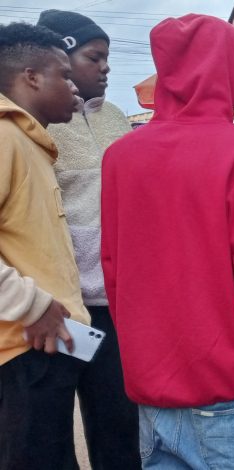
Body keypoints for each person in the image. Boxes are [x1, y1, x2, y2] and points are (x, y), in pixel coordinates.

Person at [100, 14, 234, 469]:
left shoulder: (120, 158)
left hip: (153, 394)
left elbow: (115, 276)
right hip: (229, 399)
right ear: (226, 72)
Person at [36, 10, 140, 469]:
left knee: (118, 421)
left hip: (116, 307)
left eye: (108, 58)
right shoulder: (39, 124)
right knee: (50, 429)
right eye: (94, 57)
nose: (106, 67)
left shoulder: (117, 118)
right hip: (57, 311)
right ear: (62, 55)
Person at [0, 22, 90, 469]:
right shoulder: (3, 136)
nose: (74, 87)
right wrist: (32, 303)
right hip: (22, 353)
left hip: (46, 349)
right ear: (31, 76)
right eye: (64, 75)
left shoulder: (28, 141)